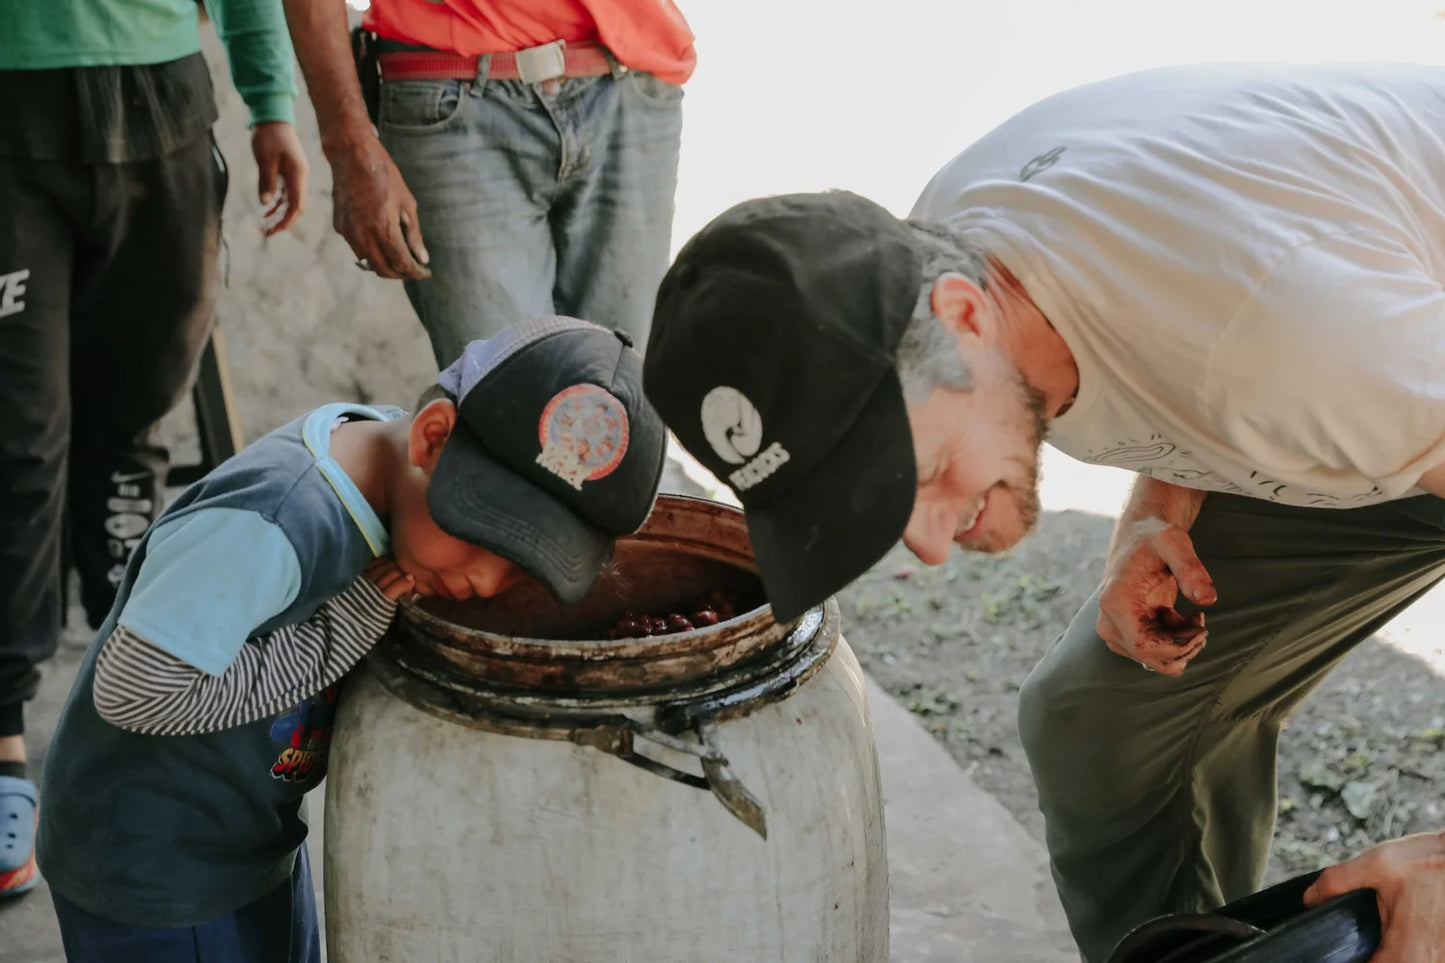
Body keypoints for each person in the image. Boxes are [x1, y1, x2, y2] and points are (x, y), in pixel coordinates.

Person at [641, 63, 1445, 963]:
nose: (935, 545)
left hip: (1392, 368)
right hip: (1372, 388)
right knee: (1095, 720)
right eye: (866, 506)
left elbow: (1237, 350)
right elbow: (1174, 363)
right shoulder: (952, 251)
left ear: (961, 316)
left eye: (926, 474)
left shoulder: (1296, 346)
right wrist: (1157, 508)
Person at [34, 316, 666, 960]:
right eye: (484, 532)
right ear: (432, 439)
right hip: (154, 868)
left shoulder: (393, 483)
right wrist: (339, 632)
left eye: (525, 561)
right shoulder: (274, 523)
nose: (486, 579)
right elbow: (137, 690)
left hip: (248, 838)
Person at [0, 0, 308, 898]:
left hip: (165, 108)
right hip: (10, 110)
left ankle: (130, 702)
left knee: (131, 428)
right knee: (17, 443)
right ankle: (5, 739)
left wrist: (271, 102)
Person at [282, 0, 694, 368]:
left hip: (630, 73)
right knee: (509, 403)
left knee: (626, 401)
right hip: (452, 89)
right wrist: (348, 145)